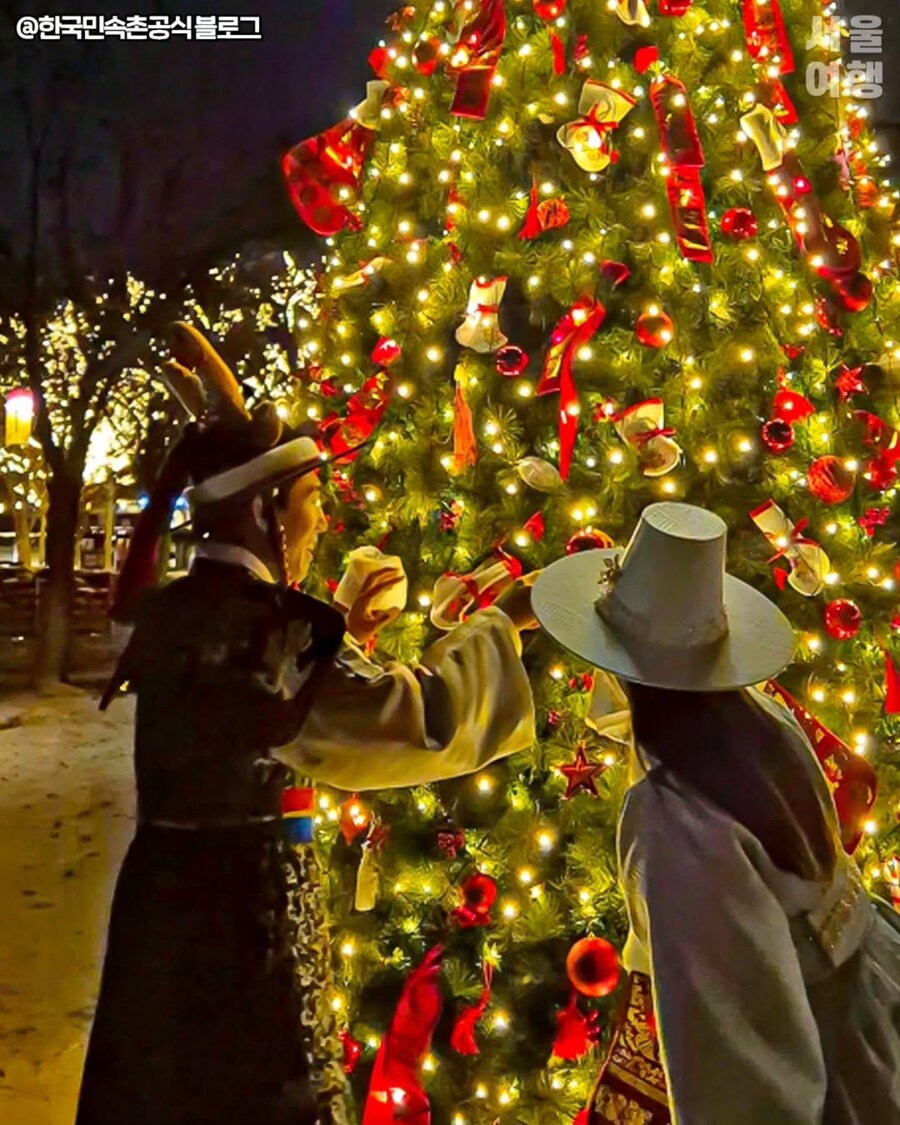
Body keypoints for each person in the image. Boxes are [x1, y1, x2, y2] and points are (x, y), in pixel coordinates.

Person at [76, 324, 537, 1125]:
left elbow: (266, 716)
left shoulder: (181, 612)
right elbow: (415, 721)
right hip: (240, 937)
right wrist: (502, 625)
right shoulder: (271, 629)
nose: (319, 523)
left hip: (162, 917)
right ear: (261, 510)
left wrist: (342, 639)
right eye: (310, 503)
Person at [533, 501, 900, 1125]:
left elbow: (739, 1070)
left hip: (831, 1065)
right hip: (874, 1014)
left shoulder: (670, 820)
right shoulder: (762, 718)